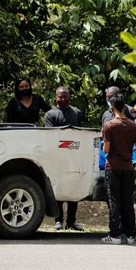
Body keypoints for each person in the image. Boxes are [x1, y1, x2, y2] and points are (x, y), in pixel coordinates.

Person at [101, 94, 136, 245]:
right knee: (127, 201)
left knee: (114, 201)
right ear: (124, 107)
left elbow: (106, 150)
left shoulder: (109, 126)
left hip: (113, 167)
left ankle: (115, 235)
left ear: (111, 108)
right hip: (128, 167)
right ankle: (131, 235)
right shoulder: (134, 126)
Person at [44, 86, 84, 231]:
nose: (63, 99)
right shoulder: (50, 114)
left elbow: (80, 135)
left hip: (75, 157)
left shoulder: (77, 113)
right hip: (57, 158)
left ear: (70, 97)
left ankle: (72, 221)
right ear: (55, 98)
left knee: (74, 189)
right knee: (58, 189)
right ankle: (58, 220)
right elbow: (50, 136)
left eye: (65, 96)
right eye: (60, 97)